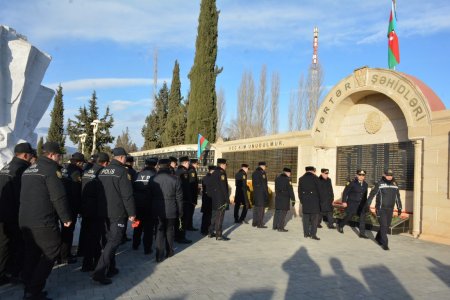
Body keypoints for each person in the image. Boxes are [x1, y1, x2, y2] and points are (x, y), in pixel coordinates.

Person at [19, 141, 72, 300]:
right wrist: (66, 218)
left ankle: (28, 286)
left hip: (25, 219)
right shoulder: (50, 170)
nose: (59, 158)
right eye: (58, 155)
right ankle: (33, 290)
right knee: (52, 250)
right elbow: (58, 196)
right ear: (51, 155)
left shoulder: (29, 169)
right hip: (43, 220)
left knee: (32, 253)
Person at [92, 147, 136, 285]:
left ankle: (111, 268)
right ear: (122, 158)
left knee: (108, 240)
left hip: (102, 211)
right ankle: (99, 272)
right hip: (117, 212)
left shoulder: (102, 171)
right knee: (115, 241)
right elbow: (127, 195)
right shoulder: (122, 172)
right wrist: (132, 213)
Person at [0, 142, 33, 285]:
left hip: (2, 213)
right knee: (19, 244)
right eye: (31, 154)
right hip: (13, 214)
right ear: (25, 155)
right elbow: (23, 195)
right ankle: (15, 273)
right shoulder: (21, 169)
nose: (32, 157)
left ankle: (2, 273)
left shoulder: (6, 167)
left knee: (3, 244)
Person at [80, 152, 109, 272]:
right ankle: (92, 263)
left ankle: (89, 262)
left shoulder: (87, 171)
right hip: (97, 210)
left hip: (86, 208)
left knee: (89, 237)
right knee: (95, 237)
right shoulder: (102, 173)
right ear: (105, 163)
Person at [149, 159, 183, 262]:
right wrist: (180, 211)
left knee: (159, 231)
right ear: (169, 166)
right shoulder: (175, 179)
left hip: (157, 209)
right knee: (169, 230)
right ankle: (169, 251)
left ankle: (159, 255)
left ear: (159, 166)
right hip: (171, 209)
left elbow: (149, 196)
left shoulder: (153, 179)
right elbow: (179, 198)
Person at [367, 169, 402, 250]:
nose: (389, 177)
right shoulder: (379, 184)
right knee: (383, 225)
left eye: (391, 175)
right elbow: (372, 195)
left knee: (386, 226)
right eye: (388, 175)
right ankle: (385, 243)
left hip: (390, 209)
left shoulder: (395, 184)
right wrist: (367, 205)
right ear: (384, 175)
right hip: (380, 209)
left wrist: (399, 207)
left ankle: (378, 237)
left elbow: (397, 197)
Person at [59, 152, 85, 264]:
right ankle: (65, 256)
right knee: (68, 232)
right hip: (71, 206)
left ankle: (60, 254)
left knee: (64, 231)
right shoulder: (76, 172)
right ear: (78, 162)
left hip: (62, 205)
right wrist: (79, 208)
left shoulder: (64, 169)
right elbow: (77, 192)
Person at [132, 157, 157, 254]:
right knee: (148, 228)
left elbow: (132, 188)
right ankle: (147, 248)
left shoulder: (137, 174)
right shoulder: (155, 175)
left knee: (137, 225)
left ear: (146, 164)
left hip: (137, 205)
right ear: (155, 165)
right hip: (149, 206)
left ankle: (135, 244)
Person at [336, 169, 369, 238]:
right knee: (349, 216)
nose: (361, 176)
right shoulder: (351, 183)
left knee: (362, 218)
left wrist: (366, 205)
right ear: (357, 175)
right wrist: (344, 201)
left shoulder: (365, 184)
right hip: (352, 204)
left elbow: (365, 196)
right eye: (360, 175)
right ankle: (341, 225)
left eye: (363, 175)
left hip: (361, 205)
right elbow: (345, 192)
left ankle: (362, 233)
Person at [208, 159, 230, 240]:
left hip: (215, 199)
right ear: (222, 165)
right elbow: (224, 188)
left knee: (214, 216)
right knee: (220, 217)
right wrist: (227, 199)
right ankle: (219, 235)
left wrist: (212, 195)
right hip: (221, 199)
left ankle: (210, 232)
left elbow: (209, 185)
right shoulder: (221, 173)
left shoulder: (214, 172)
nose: (226, 166)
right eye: (225, 165)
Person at [298, 166, 322, 240]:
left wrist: (302, 201)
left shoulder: (301, 179)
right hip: (314, 202)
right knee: (314, 219)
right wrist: (320, 201)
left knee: (305, 218)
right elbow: (320, 191)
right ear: (312, 171)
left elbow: (299, 192)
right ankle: (313, 234)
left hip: (305, 202)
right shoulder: (316, 178)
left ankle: (306, 234)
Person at [174, 156, 192, 244]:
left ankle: (177, 235)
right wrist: (189, 199)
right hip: (184, 200)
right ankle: (181, 237)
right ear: (184, 163)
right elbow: (185, 188)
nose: (189, 164)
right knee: (183, 219)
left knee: (178, 219)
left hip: (177, 200)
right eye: (188, 163)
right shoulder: (184, 172)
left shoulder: (176, 171)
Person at [273, 168, 295, 232]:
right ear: (287, 173)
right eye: (290, 173)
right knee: (283, 213)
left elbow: (276, 188)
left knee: (277, 212)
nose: (290, 175)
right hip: (285, 198)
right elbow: (290, 190)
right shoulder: (288, 179)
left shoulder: (277, 178)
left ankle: (275, 226)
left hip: (278, 197)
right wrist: (293, 199)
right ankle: (280, 228)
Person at [252, 162, 269, 228]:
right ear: (262, 166)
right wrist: (266, 193)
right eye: (265, 166)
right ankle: (260, 224)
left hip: (256, 193)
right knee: (261, 208)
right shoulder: (262, 173)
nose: (265, 168)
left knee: (256, 208)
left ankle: (254, 222)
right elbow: (264, 184)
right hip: (261, 193)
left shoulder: (254, 172)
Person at [200, 166, 215, 235]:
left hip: (206, 198)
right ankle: (206, 229)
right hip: (209, 199)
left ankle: (204, 229)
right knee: (208, 215)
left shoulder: (205, 177)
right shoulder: (211, 178)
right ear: (212, 171)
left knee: (206, 214)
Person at [187, 159, 199, 231]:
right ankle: (189, 226)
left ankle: (188, 225)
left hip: (190, 195)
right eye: (197, 164)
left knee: (189, 212)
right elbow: (192, 184)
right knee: (190, 211)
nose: (198, 165)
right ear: (194, 163)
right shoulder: (192, 171)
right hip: (192, 195)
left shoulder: (190, 169)